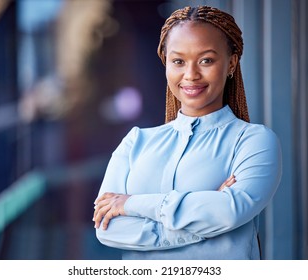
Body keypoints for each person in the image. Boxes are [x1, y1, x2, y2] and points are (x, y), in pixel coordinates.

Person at [93, 5, 282, 260]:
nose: (191, 75)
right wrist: (204, 217)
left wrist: (130, 204)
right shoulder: (135, 142)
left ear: (231, 63)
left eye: (206, 60)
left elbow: (229, 212)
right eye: (178, 61)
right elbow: (108, 229)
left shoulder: (254, 142)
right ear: (166, 64)